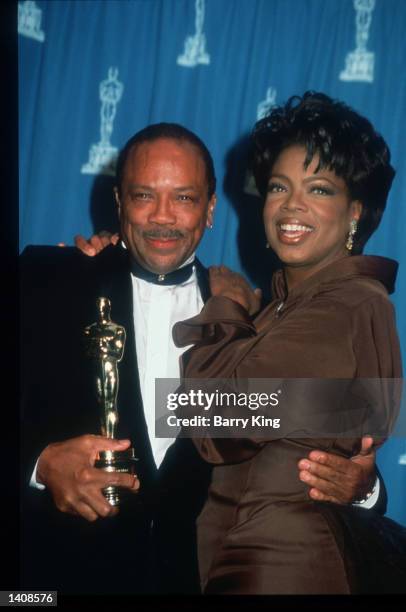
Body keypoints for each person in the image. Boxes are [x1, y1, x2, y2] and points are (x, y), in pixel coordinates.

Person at [21, 121, 384, 596]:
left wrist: (364, 486)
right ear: (119, 203)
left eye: (185, 198)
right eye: (144, 196)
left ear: (211, 209)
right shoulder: (44, 282)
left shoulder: (261, 319)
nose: (163, 217)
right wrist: (37, 463)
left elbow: (329, 463)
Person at [170, 93, 406, 594]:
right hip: (240, 561)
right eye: (279, 186)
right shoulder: (286, 302)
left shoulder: (346, 303)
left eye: (319, 189)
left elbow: (213, 423)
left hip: (282, 569)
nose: (291, 205)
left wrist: (227, 309)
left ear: (356, 214)